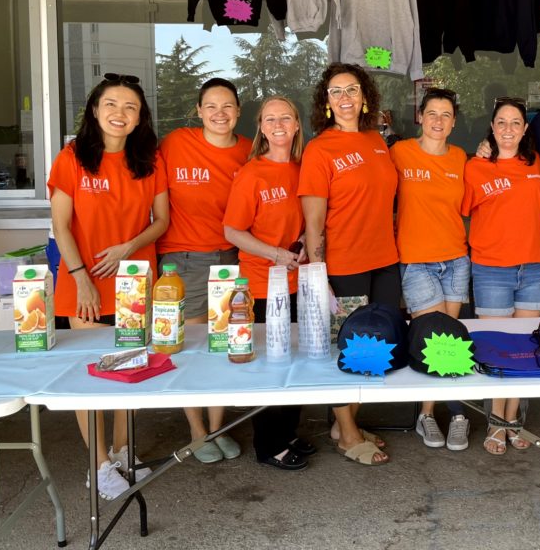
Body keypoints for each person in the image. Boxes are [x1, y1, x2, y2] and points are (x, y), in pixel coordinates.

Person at [48, 72, 168, 500]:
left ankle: (123, 450)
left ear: (139, 118)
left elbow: (161, 222)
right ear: (95, 111)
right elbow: (61, 226)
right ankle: (97, 465)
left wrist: (127, 248)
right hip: (84, 284)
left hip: (134, 282)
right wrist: (81, 279)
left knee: (130, 368)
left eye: (130, 107)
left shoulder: (149, 160)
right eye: (112, 105)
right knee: (93, 373)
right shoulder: (73, 157)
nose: (120, 114)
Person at [299, 63, 400, 466]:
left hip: (385, 260)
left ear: (364, 98)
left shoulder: (377, 140)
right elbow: (312, 223)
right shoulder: (319, 149)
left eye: (352, 90)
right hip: (344, 263)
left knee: (376, 345)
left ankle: (345, 424)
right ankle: (347, 433)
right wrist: (319, 274)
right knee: (347, 346)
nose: (345, 99)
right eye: (336, 92)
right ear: (327, 102)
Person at [158, 78, 251, 464]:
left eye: (227, 106)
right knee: (192, 348)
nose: (219, 113)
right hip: (184, 260)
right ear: (198, 111)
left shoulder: (248, 150)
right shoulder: (176, 142)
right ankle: (197, 431)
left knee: (225, 344)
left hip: (231, 258)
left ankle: (218, 427)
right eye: (211, 106)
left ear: (238, 112)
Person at [223, 96, 315, 470]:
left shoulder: (303, 169)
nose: (278, 125)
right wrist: (274, 254)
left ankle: (288, 431)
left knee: (295, 359)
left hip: (299, 282)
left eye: (286, 118)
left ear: (296, 125)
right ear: (261, 128)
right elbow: (232, 230)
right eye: (270, 119)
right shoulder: (252, 173)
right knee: (270, 364)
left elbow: (313, 214)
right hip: (263, 284)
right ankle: (268, 444)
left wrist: (309, 238)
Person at [462, 98, 540, 455]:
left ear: (524, 128)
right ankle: (495, 423)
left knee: (524, 351)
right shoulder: (475, 166)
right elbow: (463, 210)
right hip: (491, 268)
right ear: (493, 128)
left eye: (516, 122)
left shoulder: (536, 162)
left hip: (534, 265)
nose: (509, 129)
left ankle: (513, 421)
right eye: (502, 122)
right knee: (497, 350)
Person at [390, 88, 471, 451]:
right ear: (420, 117)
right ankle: (427, 414)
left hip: (456, 259)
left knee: (452, 340)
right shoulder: (398, 152)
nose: (438, 121)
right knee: (433, 341)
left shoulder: (462, 159)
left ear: (454, 122)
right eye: (432, 113)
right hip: (417, 260)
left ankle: (456, 415)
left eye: (446, 115)